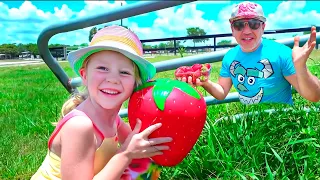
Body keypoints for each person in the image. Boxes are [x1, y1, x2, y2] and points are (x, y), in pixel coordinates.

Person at [31, 25, 173, 180]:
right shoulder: (79, 126)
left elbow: (146, 143)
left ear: (135, 84)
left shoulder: (114, 120)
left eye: (124, 72)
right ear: (85, 75)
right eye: (103, 68)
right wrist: (125, 154)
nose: (112, 79)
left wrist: (177, 95)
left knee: (146, 166)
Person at [178, 1, 320, 105]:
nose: (246, 31)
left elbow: (314, 96)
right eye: (239, 25)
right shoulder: (230, 57)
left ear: (263, 27)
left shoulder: (281, 53)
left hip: (281, 121)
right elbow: (221, 93)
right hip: (250, 124)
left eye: (254, 24)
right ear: (232, 29)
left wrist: (301, 68)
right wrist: (205, 82)